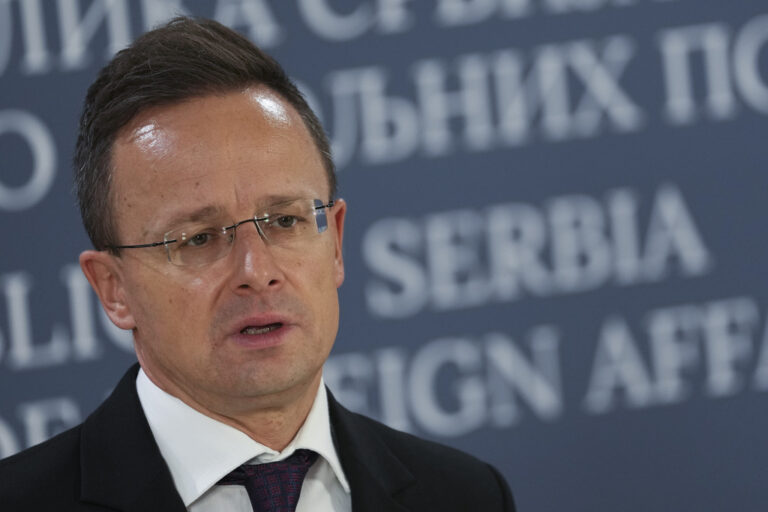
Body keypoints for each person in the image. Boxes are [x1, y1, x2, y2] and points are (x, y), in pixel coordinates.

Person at [0, 16, 516, 512]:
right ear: (113, 289)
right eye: (198, 238)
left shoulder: (465, 496)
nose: (256, 269)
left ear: (335, 242)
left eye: (286, 221)